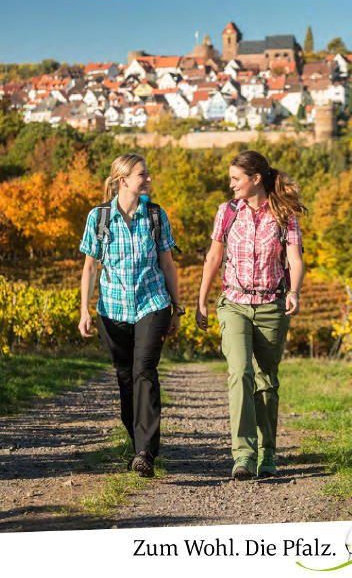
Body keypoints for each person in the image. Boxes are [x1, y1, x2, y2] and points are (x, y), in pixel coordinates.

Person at [196, 150, 305, 480]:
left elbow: (296, 259)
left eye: (236, 179)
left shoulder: (284, 214)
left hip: (271, 306)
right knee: (240, 371)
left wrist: (295, 291)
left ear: (255, 179)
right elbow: (214, 257)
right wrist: (201, 301)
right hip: (234, 304)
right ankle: (242, 454)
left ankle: (267, 453)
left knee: (266, 381)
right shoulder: (227, 212)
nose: (231, 185)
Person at [79, 152, 184, 478]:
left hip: (152, 304)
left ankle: (145, 452)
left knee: (144, 372)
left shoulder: (155, 216)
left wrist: (177, 308)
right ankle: (137, 442)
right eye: (143, 174)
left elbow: (167, 263)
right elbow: (90, 266)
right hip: (112, 309)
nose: (149, 179)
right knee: (126, 378)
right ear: (123, 179)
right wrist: (84, 307)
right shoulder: (99, 218)